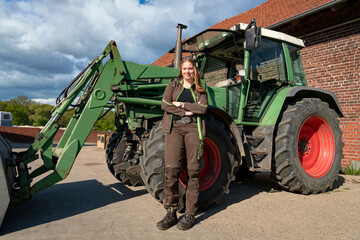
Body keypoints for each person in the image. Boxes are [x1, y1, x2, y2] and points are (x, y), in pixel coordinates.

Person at [157, 58, 208, 231]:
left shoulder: (200, 89)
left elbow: (203, 109)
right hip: (175, 129)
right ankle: (171, 212)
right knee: (171, 170)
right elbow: (165, 104)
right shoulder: (172, 86)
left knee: (193, 171)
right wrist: (186, 111)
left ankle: (189, 214)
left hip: (193, 129)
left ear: (195, 70)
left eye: (190, 68)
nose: (187, 71)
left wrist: (183, 105)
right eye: (185, 68)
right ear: (181, 70)